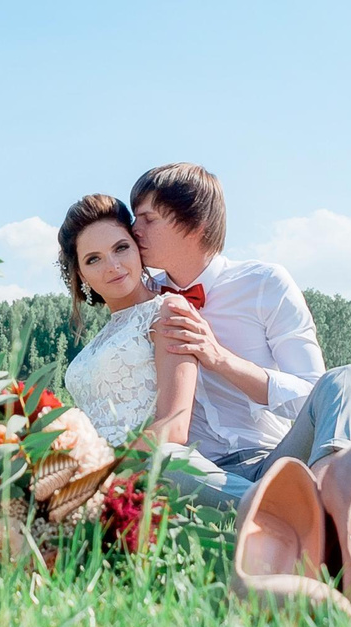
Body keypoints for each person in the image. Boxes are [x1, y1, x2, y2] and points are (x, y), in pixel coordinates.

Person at [129, 162, 351, 508]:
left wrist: (220, 359)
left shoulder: (265, 284)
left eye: (147, 219)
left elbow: (312, 397)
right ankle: (303, 515)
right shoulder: (144, 300)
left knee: (349, 379)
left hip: (282, 460)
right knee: (163, 459)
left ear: (195, 223)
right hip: (205, 476)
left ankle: (331, 498)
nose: (134, 229)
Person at [55, 194, 251, 503]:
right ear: (81, 276)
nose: (113, 266)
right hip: (100, 477)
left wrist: (103, 469)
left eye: (121, 248)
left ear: (138, 250)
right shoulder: (99, 341)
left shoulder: (167, 310)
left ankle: (279, 510)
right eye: (94, 259)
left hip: (156, 467)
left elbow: (173, 427)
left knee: (168, 460)